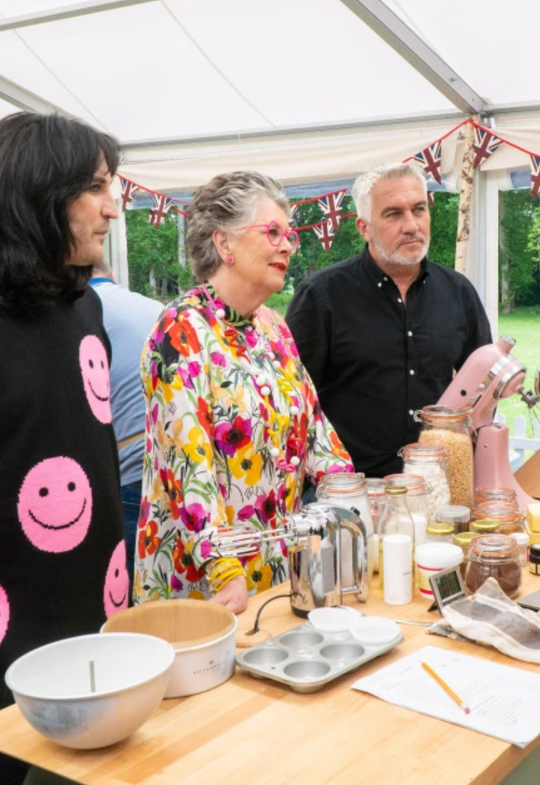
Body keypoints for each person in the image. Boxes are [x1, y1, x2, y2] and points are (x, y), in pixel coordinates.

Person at [137, 171, 353, 614]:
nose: (288, 245)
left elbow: (316, 434)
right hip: (206, 588)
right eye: (272, 232)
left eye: (289, 234)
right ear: (224, 244)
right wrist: (227, 572)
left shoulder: (275, 328)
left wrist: (354, 504)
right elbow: (187, 466)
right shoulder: (181, 330)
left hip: (277, 576)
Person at [0, 113, 126, 708]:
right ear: (39, 196)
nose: (114, 207)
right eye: (96, 187)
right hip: (13, 638)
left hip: (98, 609)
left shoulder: (85, 308)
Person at [285, 162, 493, 477]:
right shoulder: (320, 296)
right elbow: (294, 402)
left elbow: (484, 386)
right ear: (364, 227)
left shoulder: (458, 292)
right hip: (351, 489)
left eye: (419, 209)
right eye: (393, 214)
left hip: (440, 484)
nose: (411, 225)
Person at [90, 261, 163, 585]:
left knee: (129, 596)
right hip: (174, 473)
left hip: (128, 476)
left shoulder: (83, 313)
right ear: (114, 277)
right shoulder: (159, 308)